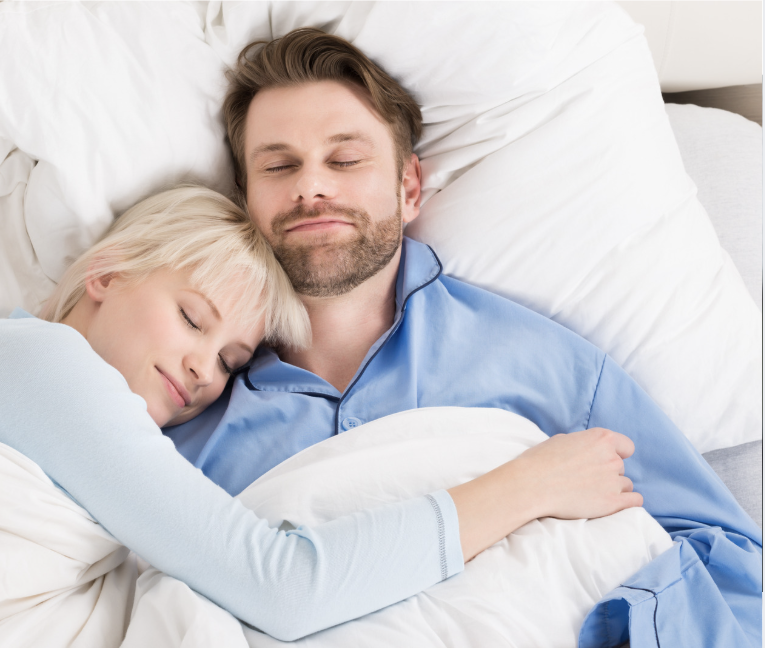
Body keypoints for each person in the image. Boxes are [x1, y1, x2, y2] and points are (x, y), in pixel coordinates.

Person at [163, 29, 763, 646]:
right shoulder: (188, 413)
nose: (311, 186)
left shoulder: (540, 363)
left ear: (408, 189)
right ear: (245, 200)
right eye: (279, 166)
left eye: (345, 160)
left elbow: (732, 560)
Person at [0, 186, 642, 641]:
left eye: (231, 361)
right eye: (191, 318)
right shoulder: (30, 359)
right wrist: (529, 486)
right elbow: (282, 584)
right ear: (107, 273)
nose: (204, 372)